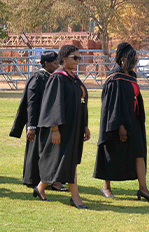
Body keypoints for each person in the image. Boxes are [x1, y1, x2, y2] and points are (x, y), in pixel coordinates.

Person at [94, 42, 149, 202]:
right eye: (132, 59)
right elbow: (114, 105)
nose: (135, 63)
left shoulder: (131, 76)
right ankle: (106, 187)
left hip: (133, 120)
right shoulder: (114, 79)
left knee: (139, 153)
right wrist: (120, 126)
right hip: (117, 123)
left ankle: (143, 189)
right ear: (122, 60)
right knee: (111, 151)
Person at [34, 45, 91, 209]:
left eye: (79, 58)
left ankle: (40, 188)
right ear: (64, 59)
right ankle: (75, 196)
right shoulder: (58, 77)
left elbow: (82, 102)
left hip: (74, 126)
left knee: (64, 161)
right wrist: (55, 129)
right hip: (62, 128)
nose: (78, 61)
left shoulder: (73, 77)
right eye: (75, 57)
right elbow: (52, 105)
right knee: (67, 161)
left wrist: (85, 125)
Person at [9, 50, 65, 190]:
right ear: (46, 63)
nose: (57, 65)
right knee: (36, 151)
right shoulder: (38, 78)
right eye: (54, 63)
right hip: (38, 121)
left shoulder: (51, 76)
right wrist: (31, 126)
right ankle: (33, 179)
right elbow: (31, 103)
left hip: (49, 121)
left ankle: (47, 179)